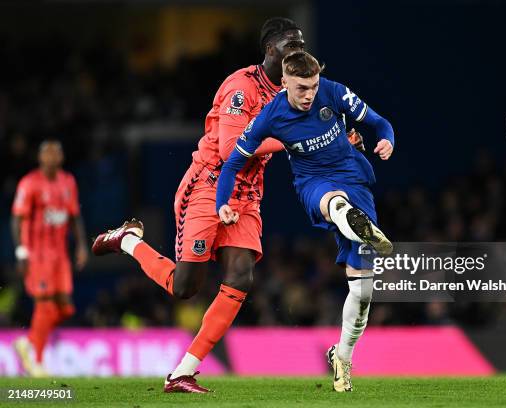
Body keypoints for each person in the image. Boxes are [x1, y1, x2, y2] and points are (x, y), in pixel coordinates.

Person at [92, 18, 364, 393]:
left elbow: (318, 129)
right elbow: (228, 148)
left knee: (240, 276)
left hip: (248, 196)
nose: (298, 51)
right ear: (271, 50)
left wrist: (342, 139)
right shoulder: (241, 88)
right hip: (207, 185)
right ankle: (127, 240)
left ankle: (182, 372)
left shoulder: (297, 92)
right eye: (290, 45)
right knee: (185, 287)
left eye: (301, 44)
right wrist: (291, 142)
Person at [215, 51, 394, 392]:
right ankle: (349, 218)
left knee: (363, 289)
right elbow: (233, 162)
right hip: (313, 183)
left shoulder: (333, 92)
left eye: (312, 86)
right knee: (333, 203)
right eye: (301, 88)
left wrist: (387, 140)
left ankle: (342, 356)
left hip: (353, 176)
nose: (309, 94)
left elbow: (380, 123)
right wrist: (222, 202)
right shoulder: (270, 116)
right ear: (284, 83)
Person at [11, 139, 88, 377]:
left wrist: (82, 245)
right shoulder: (30, 183)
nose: (53, 157)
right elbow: (16, 219)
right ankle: (38, 361)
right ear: (40, 157)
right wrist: (21, 252)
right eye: (48, 153)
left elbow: (74, 216)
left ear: (62, 158)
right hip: (38, 255)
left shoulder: (68, 182)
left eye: (57, 153)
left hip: (60, 255)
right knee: (44, 304)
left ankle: (28, 343)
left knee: (65, 309)